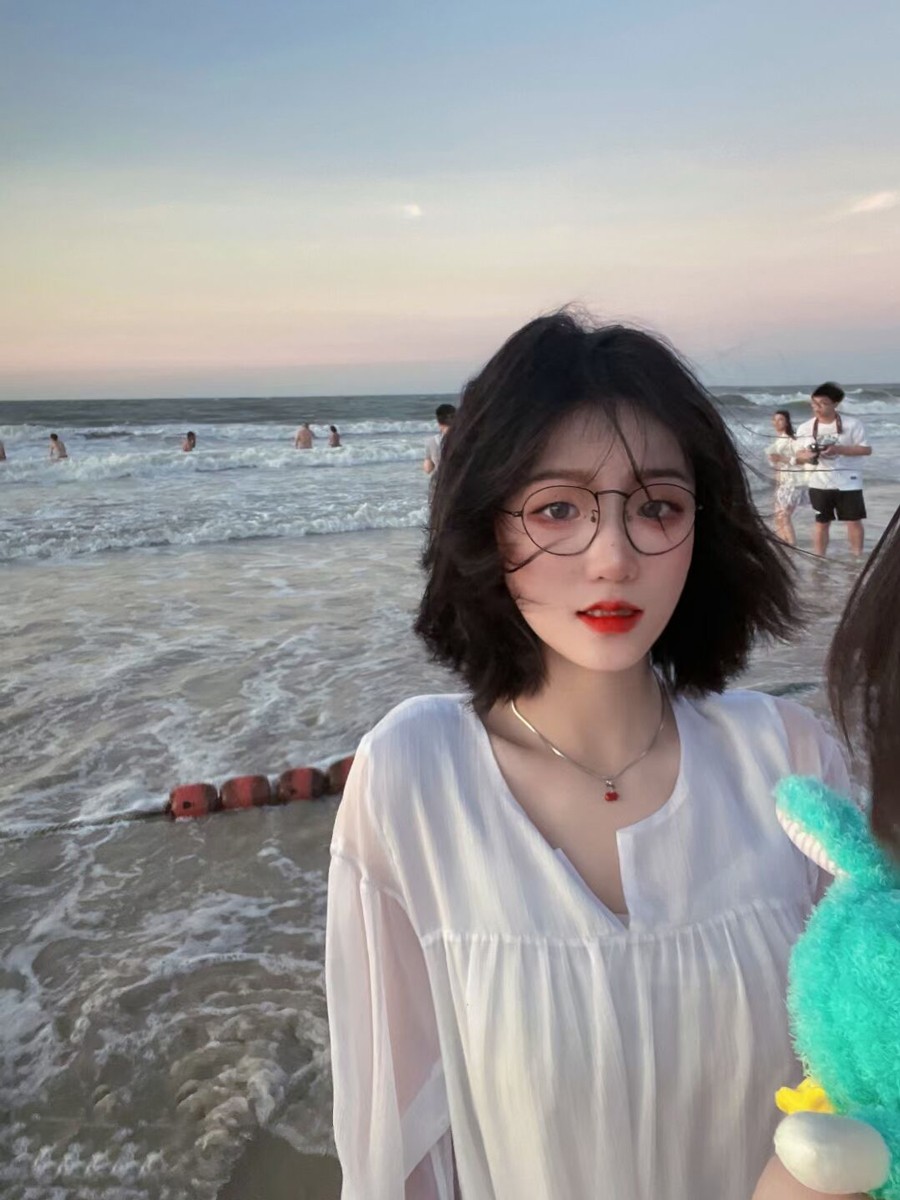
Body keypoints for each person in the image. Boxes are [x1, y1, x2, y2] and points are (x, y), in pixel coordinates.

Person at [326, 312, 853, 1200]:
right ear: (486, 529)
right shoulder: (414, 776)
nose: (612, 557)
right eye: (557, 508)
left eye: (658, 507)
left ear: (703, 526)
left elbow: (866, 1081)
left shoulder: (789, 761)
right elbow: (396, 1147)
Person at [794, 383, 871, 557]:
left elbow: (866, 449)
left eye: (823, 403)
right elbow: (798, 454)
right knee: (821, 522)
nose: (817, 408)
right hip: (818, 481)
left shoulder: (853, 424)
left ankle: (857, 559)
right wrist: (809, 456)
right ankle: (819, 559)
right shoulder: (805, 427)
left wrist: (838, 449)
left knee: (853, 521)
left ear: (835, 404)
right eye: (814, 403)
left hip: (849, 481)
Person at [766, 410, 804, 546]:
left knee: (784, 515)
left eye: (780, 419)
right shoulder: (778, 440)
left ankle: (792, 546)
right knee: (778, 516)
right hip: (783, 482)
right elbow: (777, 467)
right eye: (774, 420)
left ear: (787, 422)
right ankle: (784, 545)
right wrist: (776, 487)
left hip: (794, 481)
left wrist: (782, 458)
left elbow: (803, 460)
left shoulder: (792, 440)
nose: (777, 422)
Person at [423, 402, 455, 475]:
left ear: (438, 421)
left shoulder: (432, 441)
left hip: (441, 479)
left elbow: (428, 469)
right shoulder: (465, 439)